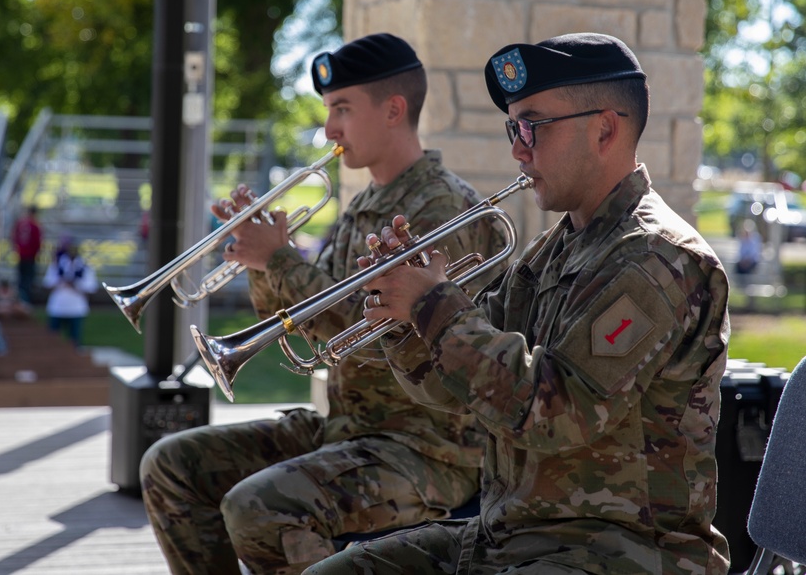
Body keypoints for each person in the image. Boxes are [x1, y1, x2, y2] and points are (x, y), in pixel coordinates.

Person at [307, 33, 731, 575]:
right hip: (513, 537)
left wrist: (436, 306)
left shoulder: (658, 258)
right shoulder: (552, 250)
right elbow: (453, 390)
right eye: (514, 128)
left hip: (618, 552)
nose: (517, 148)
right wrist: (402, 319)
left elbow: (555, 413)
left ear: (605, 129)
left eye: (533, 126)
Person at [140, 33, 512, 575]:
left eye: (342, 108)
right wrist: (262, 262)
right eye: (327, 111)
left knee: (259, 509)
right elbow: (305, 330)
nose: (329, 128)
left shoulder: (442, 209)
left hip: (426, 449)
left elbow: (378, 337)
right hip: (349, 429)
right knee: (170, 464)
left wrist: (283, 262)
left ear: (393, 110)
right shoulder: (362, 206)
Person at [41, 238, 97, 349]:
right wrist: (61, 281)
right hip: (57, 306)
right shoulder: (57, 265)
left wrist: (75, 285)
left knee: (74, 341)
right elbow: (47, 284)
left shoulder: (84, 267)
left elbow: (91, 288)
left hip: (76, 307)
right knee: (52, 340)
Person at [11, 204, 43, 304]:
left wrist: (16, 249)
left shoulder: (20, 223)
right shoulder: (35, 225)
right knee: (28, 280)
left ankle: (21, 299)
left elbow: (14, 237)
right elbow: (37, 242)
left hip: (21, 255)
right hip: (30, 256)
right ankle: (25, 301)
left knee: (21, 279)